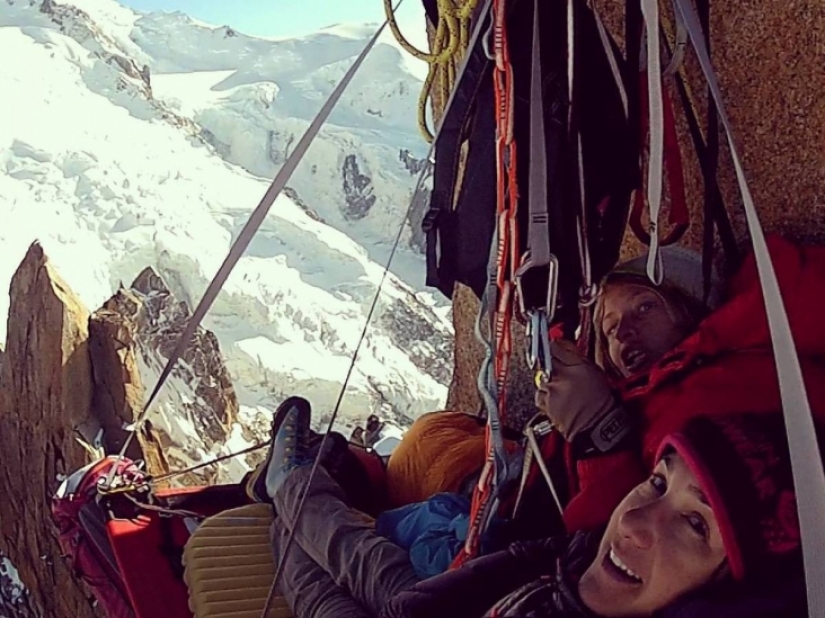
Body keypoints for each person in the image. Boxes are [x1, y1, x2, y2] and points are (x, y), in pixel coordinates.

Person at [249, 397, 804, 618]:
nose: (633, 521)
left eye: (694, 522)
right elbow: (539, 555)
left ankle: (289, 487)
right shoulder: (586, 558)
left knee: (319, 584)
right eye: (658, 483)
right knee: (356, 556)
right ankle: (290, 485)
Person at [536, 234, 825, 532]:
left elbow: (643, 543)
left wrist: (601, 436)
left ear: (690, 308)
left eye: (644, 308)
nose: (623, 332)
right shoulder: (634, 401)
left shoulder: (734, 376)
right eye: (610, 328)